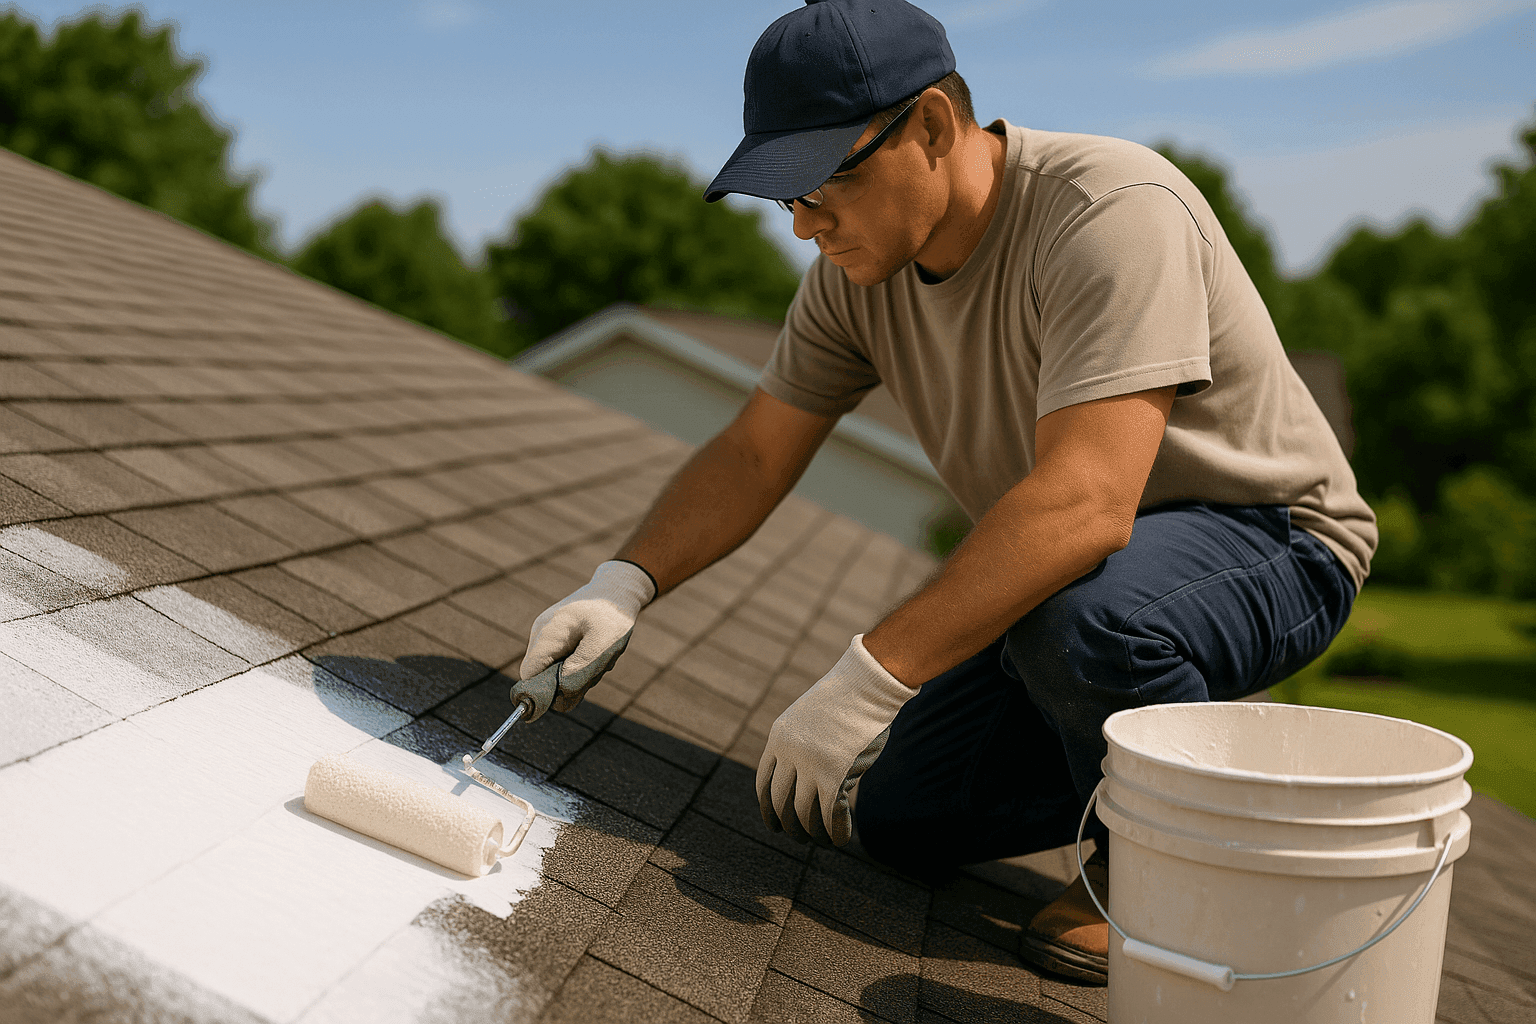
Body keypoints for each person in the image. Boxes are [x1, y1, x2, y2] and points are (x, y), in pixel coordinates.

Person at [515, 0, 1376, 986]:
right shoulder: (856, 275)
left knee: (1089, 625)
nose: (801, 223)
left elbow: (1089, 501)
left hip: (1273, 539)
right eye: (780, 195)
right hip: (1085, 577)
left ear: (929, 126)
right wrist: (621, 582)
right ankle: (1197, 765)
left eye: (822, 181)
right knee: (900, 815)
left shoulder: (1113, 211)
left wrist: (871, 675)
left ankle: (1172, 864)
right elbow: (756, 451)